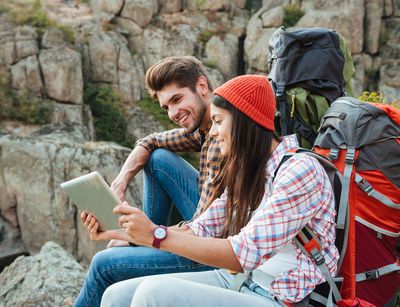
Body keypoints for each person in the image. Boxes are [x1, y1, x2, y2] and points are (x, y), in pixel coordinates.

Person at [96, 75, 339, 306]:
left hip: (280, 297)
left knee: (152, 295)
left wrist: (154, 236)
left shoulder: (299, 171)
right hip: (240, 281)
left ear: (246, 121)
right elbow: (200, 229)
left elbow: (242, 254)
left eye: (219, 121)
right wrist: (122, 232)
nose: (212, 132)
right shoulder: (250, 172)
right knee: (117, 295)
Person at [74, 56, 221, 307]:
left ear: (202, 86)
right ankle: (145, 244)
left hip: (213, 250)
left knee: (102, 265)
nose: (173, 113)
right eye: (166, 107)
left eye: (177, 99)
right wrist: (119, 183)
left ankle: (145, 244)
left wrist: (137, 235)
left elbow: (205, 231)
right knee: (158, 158)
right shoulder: (206, 126)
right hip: (205, 225)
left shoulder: (223, 137)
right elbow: (149, 142)